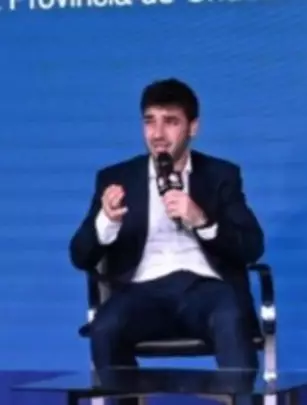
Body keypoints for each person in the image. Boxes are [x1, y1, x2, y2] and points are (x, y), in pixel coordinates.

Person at [69, 78, 264, 376]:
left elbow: (252, 247)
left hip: (207, 291)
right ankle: (126, 398)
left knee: (230, 316)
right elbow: (80, 256)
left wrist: (202, 221)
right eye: (150, 121)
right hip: (141, 294)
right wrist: (107, 220)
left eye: (170, 122)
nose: (158, 134)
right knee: (105, 327)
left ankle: (241, 397)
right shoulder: (117, 178)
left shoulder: (221, 175)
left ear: (193, 127)